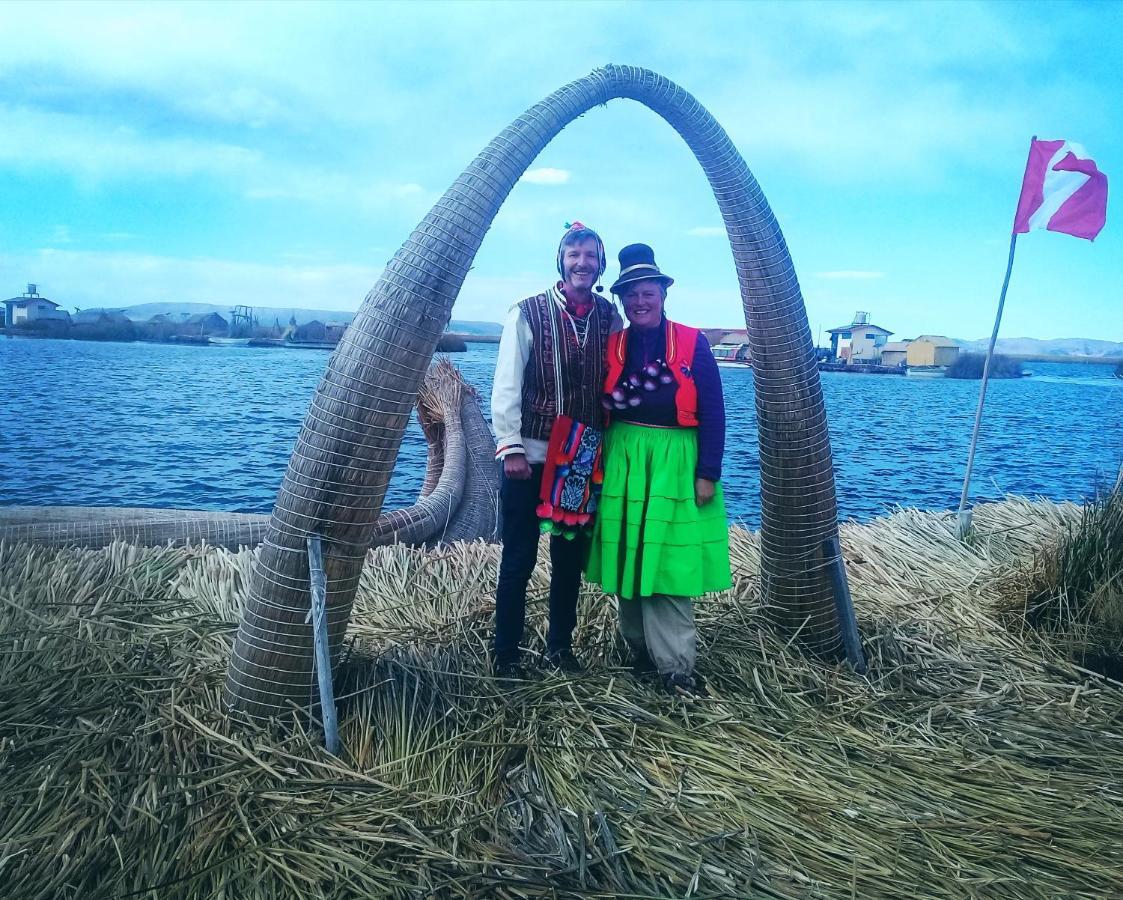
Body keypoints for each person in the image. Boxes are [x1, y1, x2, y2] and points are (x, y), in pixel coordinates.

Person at [585, 243, 732, 696]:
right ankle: (640, 653)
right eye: (631, 295)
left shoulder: (692, 341)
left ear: (663, 294)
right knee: (629, 555)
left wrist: (707, 470)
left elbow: (714, 408)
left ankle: (676, 668)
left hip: (675, 460)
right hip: (624, 456)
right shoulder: (615, 345)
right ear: (623, 300)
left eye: (648, 292)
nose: (640, 301)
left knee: (667, 563)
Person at [491, 222, 622, 677]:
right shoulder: (526, 312)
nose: (582, 262)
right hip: (531, 452)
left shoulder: (609, 317)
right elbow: (507, 382)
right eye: (573, 254)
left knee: (568, 560)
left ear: (600, 264)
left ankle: (560, 650)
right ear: (561, 261)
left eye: (590, 255)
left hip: (581, 456)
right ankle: (505, 654)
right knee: (520, 556)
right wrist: (510, 448)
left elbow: (615, 381)